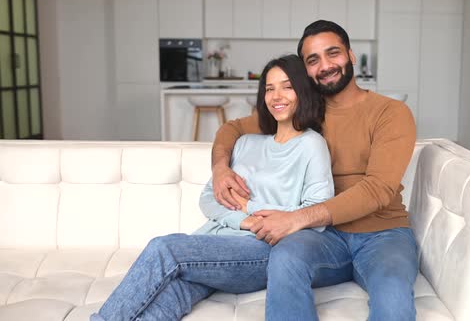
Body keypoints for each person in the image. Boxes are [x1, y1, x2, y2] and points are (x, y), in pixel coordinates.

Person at [90, 54, 334, 321]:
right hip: (213, 241)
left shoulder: (311, 144)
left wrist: (250, 211)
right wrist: (245, 219)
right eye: (269, 88)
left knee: (165, 248)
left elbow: (316, 212)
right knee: (178, 292)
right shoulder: (246, 143)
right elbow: (208, 198)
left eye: (287, 87)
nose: (277, 96)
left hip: (260, 250)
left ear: (302, 91)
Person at [211, 20, 418, 321]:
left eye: (332, 53)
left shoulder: (390, 112)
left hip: (382, 235)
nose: (325, 66)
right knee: (286, 258)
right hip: (323, 236)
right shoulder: (303, 111)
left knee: (393, 293)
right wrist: (219, 168)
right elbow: (232, 129)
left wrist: (297, 218)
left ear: (350, 54)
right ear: (305, 70)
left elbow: (378, 189)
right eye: (313, 60)